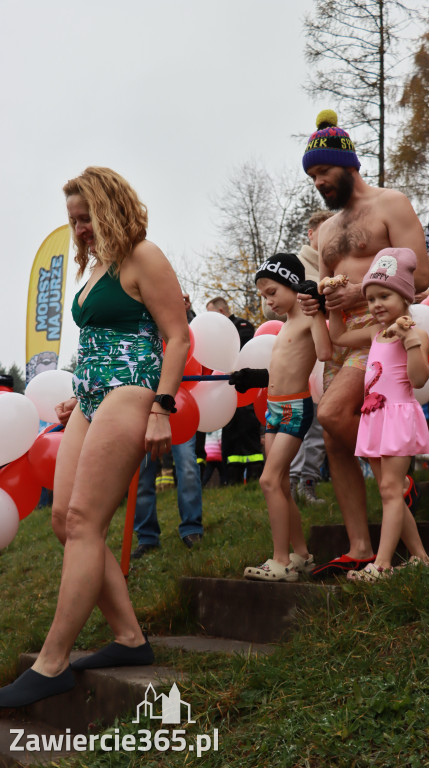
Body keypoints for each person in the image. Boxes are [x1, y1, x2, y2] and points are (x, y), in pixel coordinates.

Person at [0, 167, 190, 707]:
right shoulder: (98, 266)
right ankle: (130, 638)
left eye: (87, 217)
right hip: (88, 396)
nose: (80, 229)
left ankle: (52, 661)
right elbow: (99, 337)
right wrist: (76, 390)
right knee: (64, 521)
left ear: (112, 208)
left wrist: (163, 406)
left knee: (85, 521)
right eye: (73, 220)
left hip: (132, 391)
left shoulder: (143, 256)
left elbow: (177, 335)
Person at [299, 109, 429, 577]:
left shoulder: (391, 204)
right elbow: (329, 285)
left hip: (382, 332)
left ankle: (396, 476)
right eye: (312, 176)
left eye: (324, 171)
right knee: (335, 440)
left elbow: (426, 273)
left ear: (348, 164)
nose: (318, 182)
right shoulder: (328, 231)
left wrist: (368, 289)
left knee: (332, 414)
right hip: (340, 338)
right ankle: (359, 544)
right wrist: (318, 300)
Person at [326, 248, 429, 581]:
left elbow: (419, 379)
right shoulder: (376, 334)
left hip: (398, 417)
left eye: (384, 296)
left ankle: (383, 564)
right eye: (371, 299)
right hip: (377, 417)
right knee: (390, 489)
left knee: (389, 489)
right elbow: (339, 337)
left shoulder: (415, 333)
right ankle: (420, 557)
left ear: (404, 296)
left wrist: (412, 341)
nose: (376, 305)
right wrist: (333, 306)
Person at [236, 253, 332, 582]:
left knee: (268, 480)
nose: (268, 301)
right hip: (275, 408)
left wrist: (317, 310)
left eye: (273, 292)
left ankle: (281, 561)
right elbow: (283, 369)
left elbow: (324, 353)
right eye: (264, 296)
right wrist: (256, 377)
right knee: (279, 485)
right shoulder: (287, 325)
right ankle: (301, 555)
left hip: (295, 408)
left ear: (293, 284)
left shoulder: (306, 318)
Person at [132, 292, 204, 558]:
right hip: (141, 405)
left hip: (179, 406)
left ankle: (191, 529)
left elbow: (190, 340)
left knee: (186, 467)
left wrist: (185, 313)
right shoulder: (136, 321)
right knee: (142, 476)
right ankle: (147, 537)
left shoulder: (180, 319)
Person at [289, 210, 333, 505]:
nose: (331, 236)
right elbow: (269, 307)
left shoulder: (341, 263)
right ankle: (291, 482)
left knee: (322, 420)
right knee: (300, 418)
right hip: (302, 353)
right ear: (311, 233)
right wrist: (304, 297)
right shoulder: (294, 264)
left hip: (333, 349)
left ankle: (309, 482)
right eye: (325, 230)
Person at [207, 296, 264, 483]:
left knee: (249, 433)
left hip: (245, 388)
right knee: (230, 437)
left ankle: (255, 477)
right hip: (226, 389)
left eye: (211, 313)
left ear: (222, 311)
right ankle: (232, 479)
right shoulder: (216, 332)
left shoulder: (242, 326)